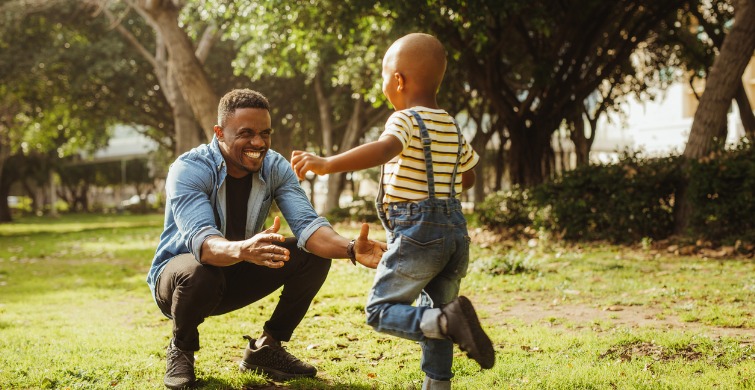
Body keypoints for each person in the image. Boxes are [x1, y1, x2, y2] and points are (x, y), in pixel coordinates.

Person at [291, 33, 495, 389]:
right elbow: (470, 176)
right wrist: (439, 192)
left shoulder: (404, 119)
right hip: (454, 234)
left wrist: (326, 164)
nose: (383, 83)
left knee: (380, 311)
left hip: (419, 234)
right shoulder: (450, 124)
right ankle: (439, 373)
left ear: (398, 79)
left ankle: (448, 323)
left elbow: (384, 150)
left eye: (383, 75)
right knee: (438, 308)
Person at [147, 88, 387, 389]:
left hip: (237, 269)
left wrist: (350, 249)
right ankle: (181, 349)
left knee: (313, 255)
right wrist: (242, 249)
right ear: (220, 133)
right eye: (246, 133)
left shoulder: (274, 167)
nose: (258, 143)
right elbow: (203, 244)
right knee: (199, 272)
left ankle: (267, 348)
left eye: (265, 133)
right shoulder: (190, 169)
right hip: (182, 283)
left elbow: (308, 226)